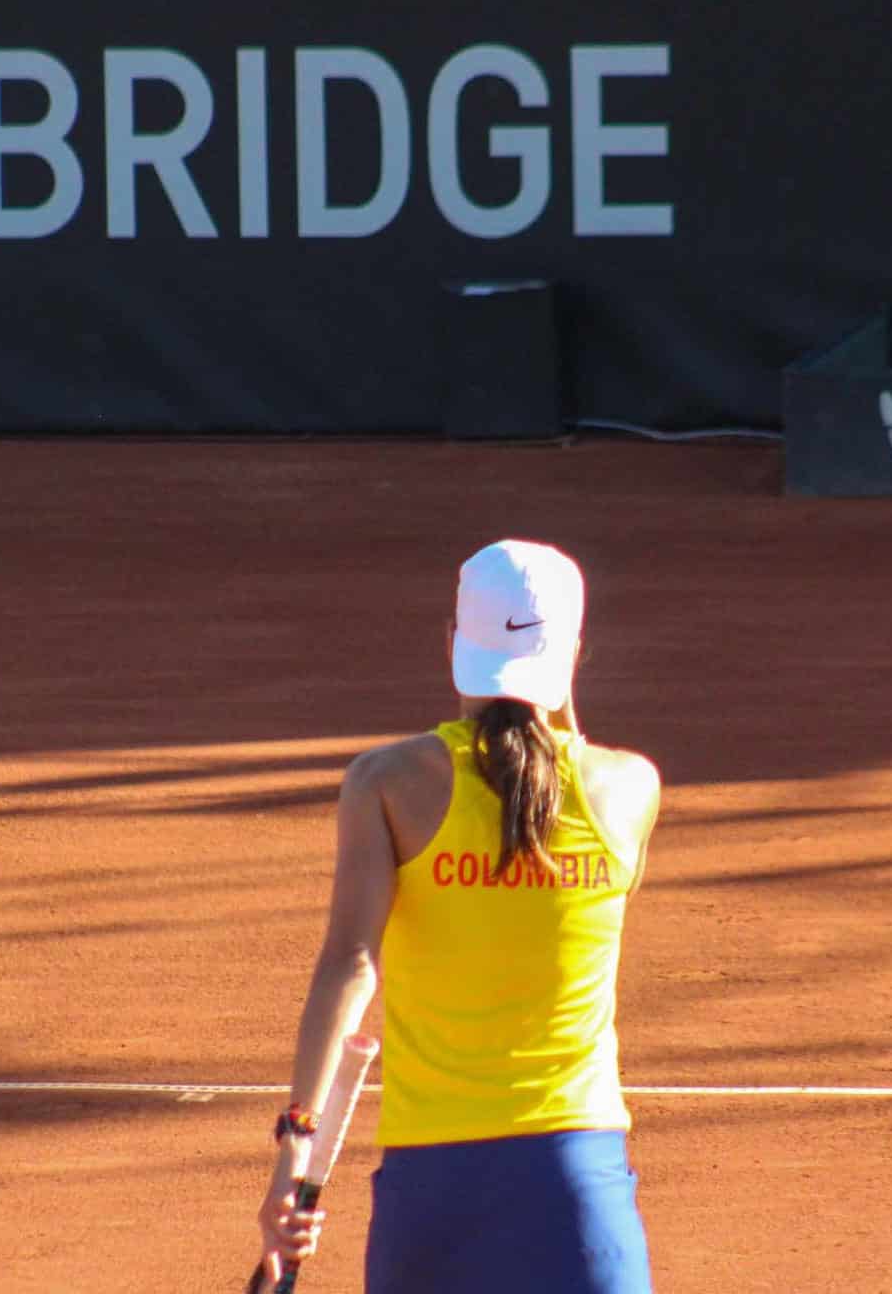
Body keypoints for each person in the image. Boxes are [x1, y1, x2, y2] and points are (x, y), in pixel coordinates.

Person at [254, 539, 662, 1292]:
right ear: (574, 650)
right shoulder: (630, 789)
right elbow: (553, 772)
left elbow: (350, 963)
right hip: (577, 1186)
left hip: (430, 1192)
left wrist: (295, 1152)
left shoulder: (383, 784)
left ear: (452, 642)